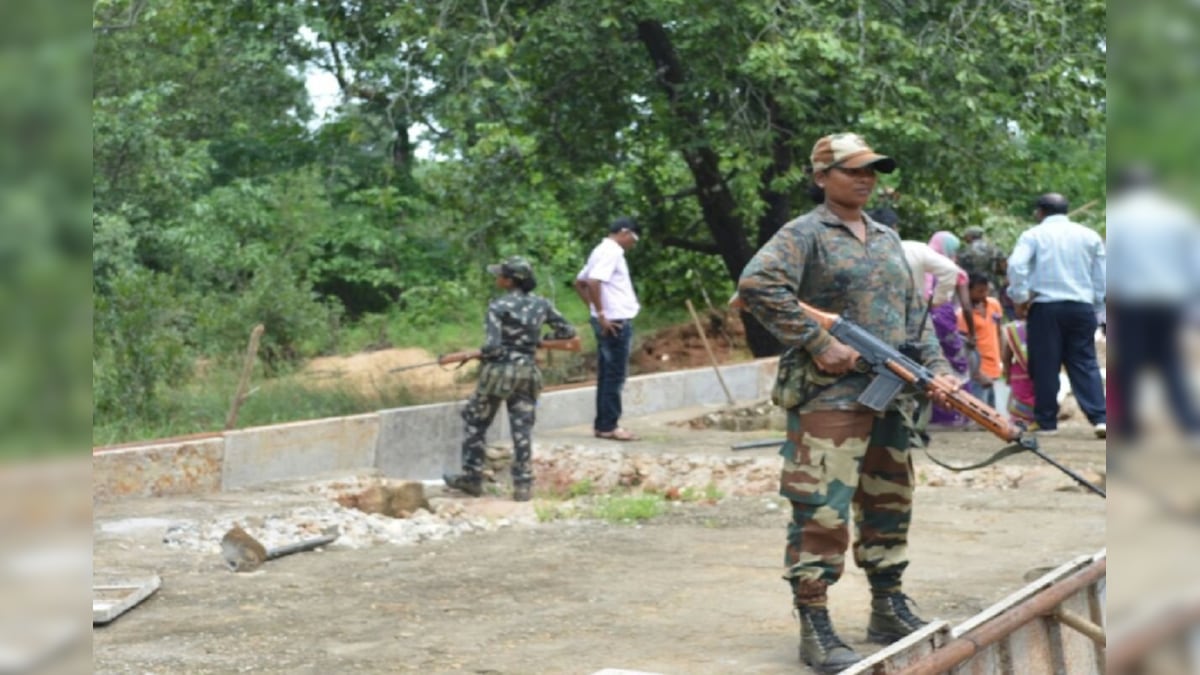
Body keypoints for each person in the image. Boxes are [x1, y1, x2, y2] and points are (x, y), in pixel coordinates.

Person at [737, 132, 959, 674]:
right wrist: (819, 343)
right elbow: (756, 285)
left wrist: (940, 372)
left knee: (889, 502)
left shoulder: (885, 237)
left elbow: (914, 316)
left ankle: (887, 604)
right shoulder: (804, 233)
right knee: (822, 511)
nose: (865, 179)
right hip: (828, 398)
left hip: (890, 396)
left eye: (872, 170)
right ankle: (815, 622)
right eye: (852, 170)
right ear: (821, 178)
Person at [444, 256, 577, 502]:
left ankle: (472, 478)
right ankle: (523, 485)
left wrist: (478, 354)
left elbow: (493, 346)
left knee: (475, 421)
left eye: (500, 275)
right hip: (527, 373)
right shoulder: (542, 304)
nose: (497, 278)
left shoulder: (498, 306)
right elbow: (568, 332)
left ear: (509, 280)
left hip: (498, 374)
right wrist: (538, 341)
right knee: (522, 429)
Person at [1105, 164, 1200, 442]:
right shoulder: (1177, 215)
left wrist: (1110, 302)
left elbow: (1111, 264)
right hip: (1170, 299)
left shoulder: (1118, 217)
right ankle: (1190, 425)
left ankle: (1129, 428)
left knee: (1129, 362)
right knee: (1171, 361)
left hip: (1132, 300)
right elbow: (1194, 261)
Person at [1006, 193, 1107, 438]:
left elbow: (1016, 266)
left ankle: (1047, 422)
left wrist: (1019, 298)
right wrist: (1094, 302)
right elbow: (1101, 274)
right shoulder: (1089, 236)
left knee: (1045, 365)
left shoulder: (1033, 235)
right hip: (1081, 306)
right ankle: (1100, 418)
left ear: (1040, 212)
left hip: (1046, 307)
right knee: (1084, 362)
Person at [574, 217, 642, 441]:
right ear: (625, 232)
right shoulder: (611, 251)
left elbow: (579, 281)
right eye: (633, 238)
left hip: (608, 318)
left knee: (606, 374)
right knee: (615, 374)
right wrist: (601, 314)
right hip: (615, 321)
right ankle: (609, 425)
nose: (633, 244)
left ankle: (603, 423)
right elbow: (592, 282)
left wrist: (594, 309)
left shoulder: (599, 250)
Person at [900, 234, 976, 426]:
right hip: (936, 315)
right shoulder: (933, 259)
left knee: (919, 365)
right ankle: (957, 413)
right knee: (950, 365)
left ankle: (927, 417)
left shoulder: (900, 251)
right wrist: (938, 301)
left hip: (906, 316)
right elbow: (966, 305)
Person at [957, 273, 1004, 408]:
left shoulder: (994, 305)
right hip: (979, 367)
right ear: (969, 291)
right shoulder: (963, 315)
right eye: (979, 291)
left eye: (985, 290)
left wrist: (1000, 355)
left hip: (993, 361)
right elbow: (964, 344)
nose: (983, 294)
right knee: (980, 407)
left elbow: (998, 331)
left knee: (991, 406)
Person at [1001, 316, 1036, 427]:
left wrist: (1007, 373)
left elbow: (1007, 356)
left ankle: (1020, 422)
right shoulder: (1048, 327)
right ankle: (1037, 421)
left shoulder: (1016, 329)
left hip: (1020, 373)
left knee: (1020, 400)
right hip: (1042, 372)